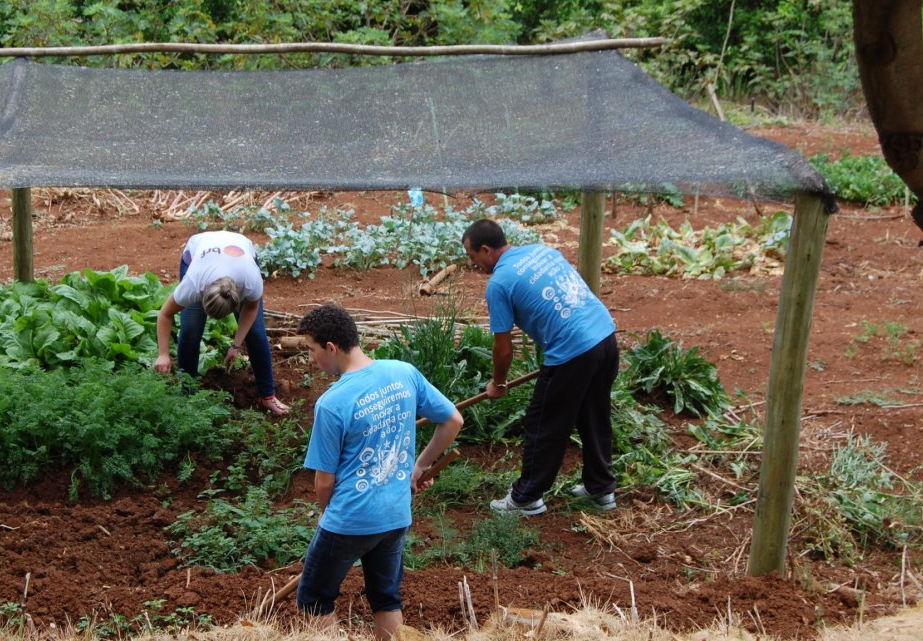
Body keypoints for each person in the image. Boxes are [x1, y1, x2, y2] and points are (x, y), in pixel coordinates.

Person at [296, 304, 463, 641]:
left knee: (314, 597)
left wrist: (327, 518)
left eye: (312, 351)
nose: (312, 360)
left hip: (349, 518)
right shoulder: (402, 372)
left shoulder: (333, 403)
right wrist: (420, 466)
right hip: (395, 515)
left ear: (331, 347)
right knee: (385, 598)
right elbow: (452, 421)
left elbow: (324, 480)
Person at [461, 218, 619, 516]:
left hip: (573, 351)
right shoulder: (541, 250)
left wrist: (498, 382)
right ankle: (601, 489)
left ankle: (526, 498)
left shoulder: (499, 283)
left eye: (473, 257)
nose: (475, 264)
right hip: (605, 336)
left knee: (543, 424)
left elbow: (503, 348)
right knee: (594, 415)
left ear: (486, 250)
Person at [154, 230, 289, 415]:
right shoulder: (193, 283)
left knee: (256, 333)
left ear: (237, 301)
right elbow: (164, 315)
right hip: (199, 251)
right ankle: (187, 396)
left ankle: (268, 396)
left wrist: (236, 345)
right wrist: (163, 354)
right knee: (191, 330)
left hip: (241, 251)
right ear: (202, 295)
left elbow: (250, 310)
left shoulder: (250, 280)